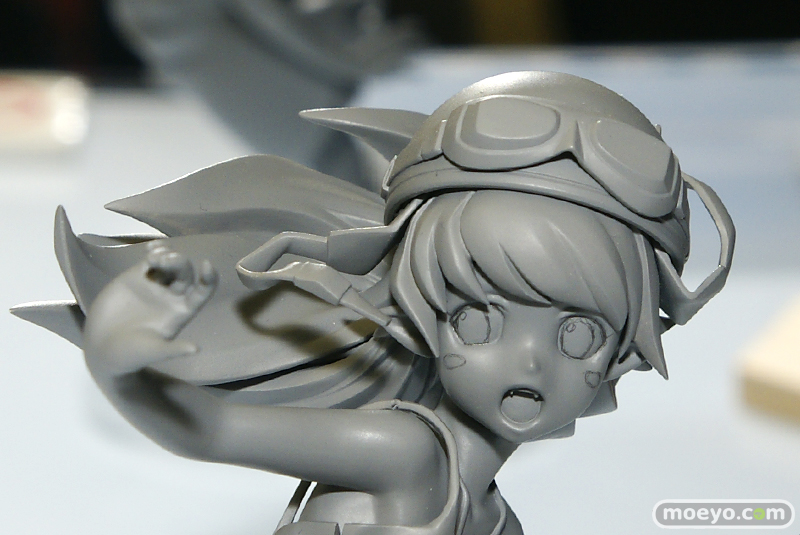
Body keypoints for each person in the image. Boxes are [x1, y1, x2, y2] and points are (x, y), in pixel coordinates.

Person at [13, 71, 733, 535]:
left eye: (577, 334)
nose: (528, 361)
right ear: (421, 315)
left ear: (625, 351)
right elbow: (211, 428)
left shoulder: (487, 510)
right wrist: (116, 359)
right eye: (477, 319)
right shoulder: (407, 456)